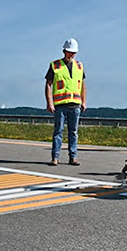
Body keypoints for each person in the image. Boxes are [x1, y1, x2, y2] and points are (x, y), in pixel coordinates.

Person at [45, 37, 87, 166]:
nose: (71, 54)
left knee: (73, 132)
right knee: (58, 131)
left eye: (73, 52)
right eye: (69, 51)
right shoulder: (55, 65)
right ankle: (55, 157)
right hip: (60, 105)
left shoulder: (79, 66)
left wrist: (84, 101)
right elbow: (48, 84)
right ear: (64, 51)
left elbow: (82, 84)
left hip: (75, 104)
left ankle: (73, 157)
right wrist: (49, 102)